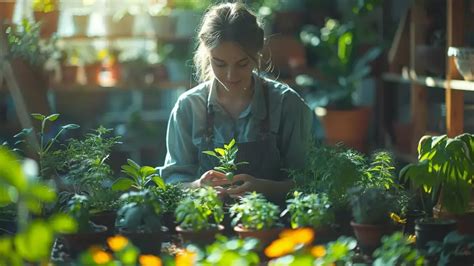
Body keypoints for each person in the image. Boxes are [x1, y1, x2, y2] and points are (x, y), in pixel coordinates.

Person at [159, 2, 313, 203]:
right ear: (206, 54)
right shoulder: (188, 107)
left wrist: (264, 188)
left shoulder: (286, 104)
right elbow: (172, 181)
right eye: (219, 63)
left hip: (271, 227)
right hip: (204, 226)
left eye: (242, 63)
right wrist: (198, 187)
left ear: (258, 53)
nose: (230, 76)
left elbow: (308, 181)